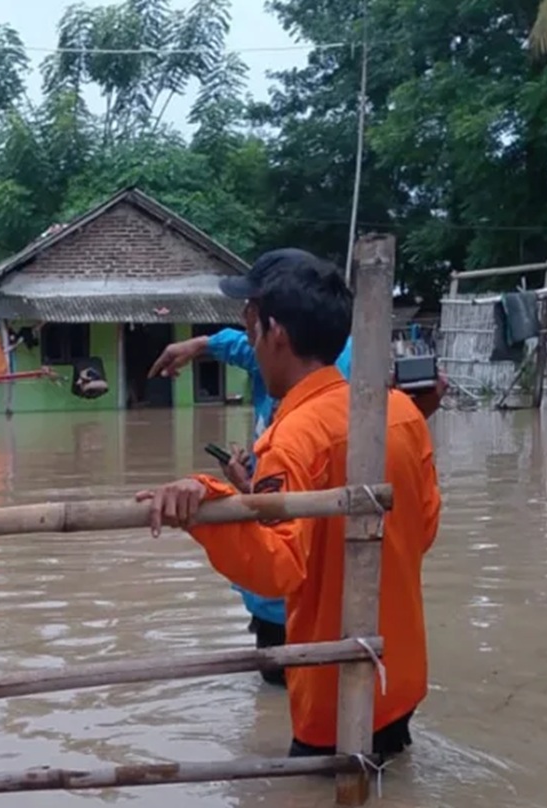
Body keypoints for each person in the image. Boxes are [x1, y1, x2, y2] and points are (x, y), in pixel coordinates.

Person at [135, 249, 440, 760]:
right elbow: (425, 527)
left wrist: (209, 503)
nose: (249, 339)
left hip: (335, 686)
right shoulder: (402, 411)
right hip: (400, 671)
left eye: (252, 326)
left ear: (276, 333)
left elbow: (277, 566)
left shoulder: (295, 434)